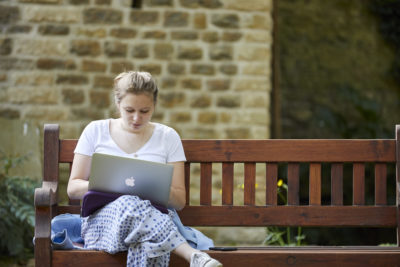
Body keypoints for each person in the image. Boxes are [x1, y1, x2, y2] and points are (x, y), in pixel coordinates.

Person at [67, 71, 222, 267]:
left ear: (154, 106)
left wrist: (147, 188)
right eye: (129, 110)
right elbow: (73, 188)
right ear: (117, 104)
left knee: (146, 240)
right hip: (104, 225)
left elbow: (179, 201)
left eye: (144, 111)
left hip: (155, 223)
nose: (136, 118)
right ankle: (192, 255)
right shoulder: (95, 131)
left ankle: (193, 256)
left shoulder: (168, 137)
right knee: (128, 203)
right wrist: (114, 186)